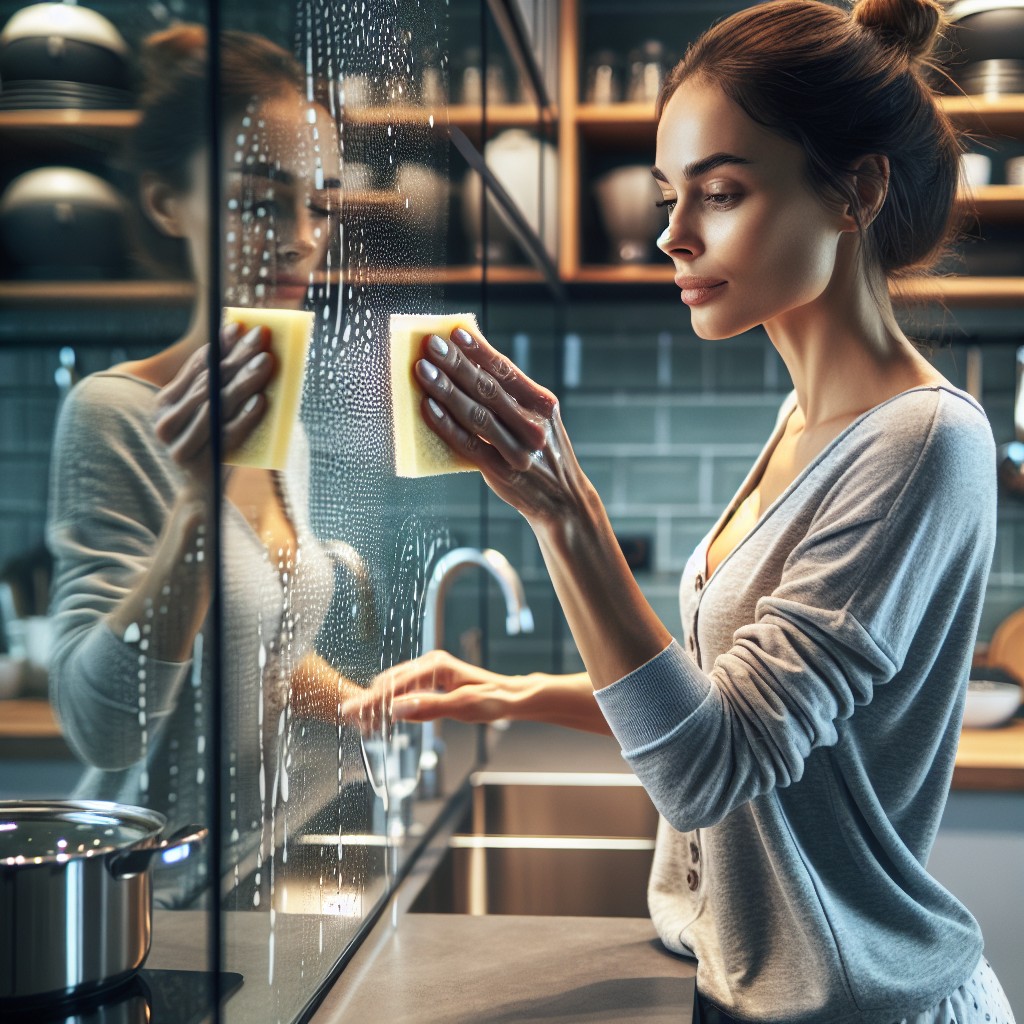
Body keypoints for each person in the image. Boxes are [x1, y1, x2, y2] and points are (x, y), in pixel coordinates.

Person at [343, 0, 1016, 1021]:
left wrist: (565, 513)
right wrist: (508, 692)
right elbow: (715, 701)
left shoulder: (923, 441)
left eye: (722, 192)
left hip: (865, 1004)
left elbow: (712, 769)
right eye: (668, 194)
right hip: (757, 986)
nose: (671, 233)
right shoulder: (806, 420)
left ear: (855, 192)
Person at [47, 25, 359, 906]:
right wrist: (194, 500)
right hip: (138, 897)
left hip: (238, 876)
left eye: (320, 205)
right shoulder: (114, 416)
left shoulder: (275, 421)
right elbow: (103, 729)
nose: (302, 238)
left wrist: (367, 702)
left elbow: (257, 649)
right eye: (261, 204)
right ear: (167, 204)